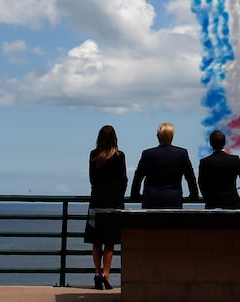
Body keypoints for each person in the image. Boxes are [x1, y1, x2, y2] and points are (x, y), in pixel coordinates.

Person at [83, 124, 127, 290]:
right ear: (114, 138)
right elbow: (123, 179)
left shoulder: (93, 155)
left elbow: (92, 179)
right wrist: (120, 195)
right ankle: (106, 274)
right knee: (110, 241)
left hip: (96, 201)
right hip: (113, 202)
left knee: (96, 240)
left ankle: (96, 272)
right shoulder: (119, 156)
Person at [130, 121, 199, 208]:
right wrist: (194, 195)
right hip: (173, 200)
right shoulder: (182, 154)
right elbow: (190, 178)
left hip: (151, 200)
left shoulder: (147, 154)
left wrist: (135, 195)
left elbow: (138, 178)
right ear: (172, 136)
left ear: (158, 136)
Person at [197, 129, 240, 209]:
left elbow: (201, 183)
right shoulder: (234, 160)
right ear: (224, 143)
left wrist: (208, 199)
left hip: (212, 205)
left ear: (211, 143)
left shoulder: (205, 162)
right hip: (231, 205)